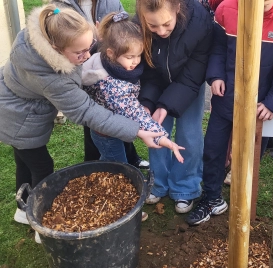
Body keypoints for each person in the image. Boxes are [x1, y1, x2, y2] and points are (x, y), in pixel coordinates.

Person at [0, 4, 162, 242]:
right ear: (56, 48)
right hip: (20, 118)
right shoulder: (52, 79)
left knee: (23, 159)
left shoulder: (38, 36)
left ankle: (23, 210)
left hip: (11, 107)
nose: (88, 56)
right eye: (80, 53)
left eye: (90, 47)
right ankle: (41, 226)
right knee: (42, 167)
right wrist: (136, 130)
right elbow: (86, 111)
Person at [186, 0, 273, 225]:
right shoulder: (226, 8)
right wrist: (216, 75)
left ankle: (245, 202)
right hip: (227, 97)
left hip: (263, 105)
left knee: (252, 156)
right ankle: (211, 198)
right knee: (214, 149)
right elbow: (217, 49)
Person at [136, 0, 213, 214]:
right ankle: (158, 183)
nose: (161, 31)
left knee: (189, 133)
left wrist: (168, 105)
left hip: (189, 84)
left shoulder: (200, 20)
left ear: (178, 8)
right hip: (156, 83)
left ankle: (186, 187)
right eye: (153, 26)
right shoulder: (138, 25)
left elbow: (195, 70)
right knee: (157, 131)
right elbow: (147, 69)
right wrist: (148, 102)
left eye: (166, 24)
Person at [52, 0, 150, 169]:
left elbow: (123, 25)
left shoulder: (110, 2)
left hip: (112, 63)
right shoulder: (62, 6)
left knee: (119, 136)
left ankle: (129, 160)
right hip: (94, 71)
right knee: (105, 143)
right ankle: (96, 166)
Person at [82, 12, 184, 165]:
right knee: (117, 167)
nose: (136, 61)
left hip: (117, 124)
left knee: (113, 161)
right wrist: (161, 136)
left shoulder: (111, 62)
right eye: (130, 57)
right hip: (106, 133)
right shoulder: (113, 86)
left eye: (139, 55)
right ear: (111, 53)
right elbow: (134, 111)